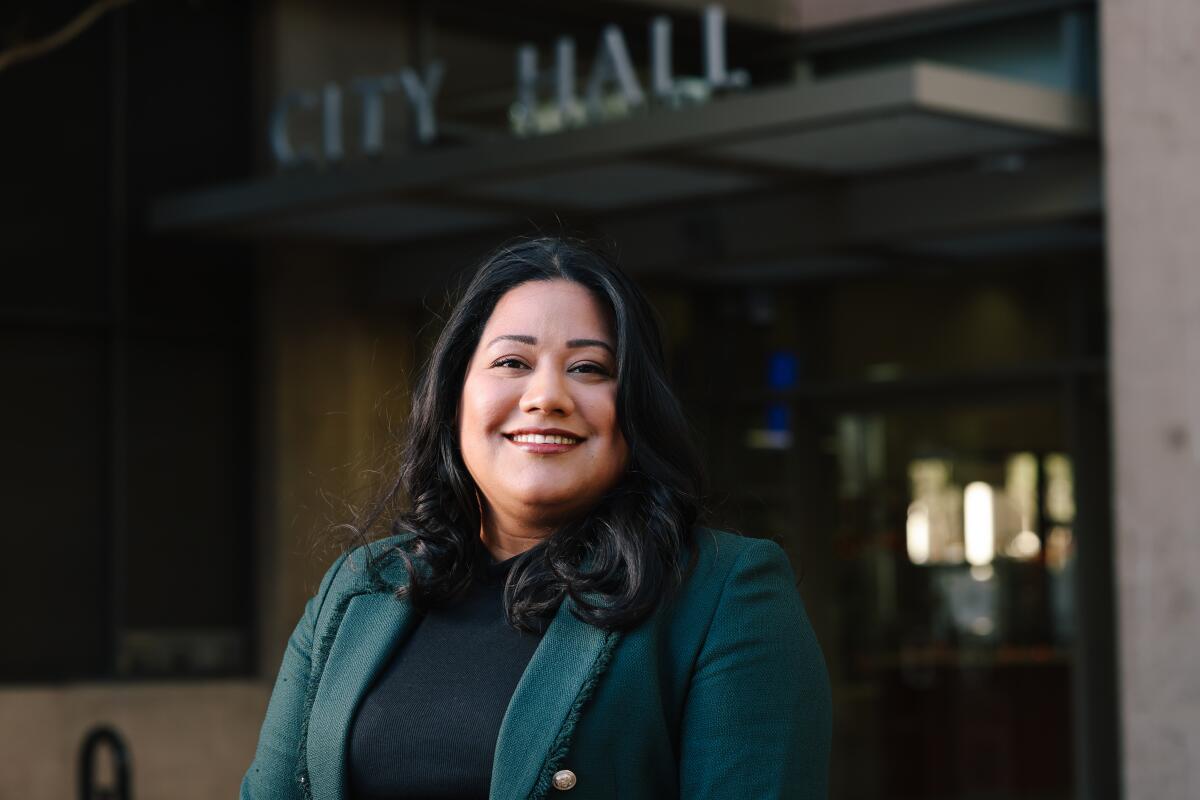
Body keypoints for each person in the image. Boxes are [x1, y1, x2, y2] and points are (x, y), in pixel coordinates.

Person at [241, 237, 831, 800]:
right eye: (512, 362)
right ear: (455, 397)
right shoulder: (360, 588)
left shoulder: (723, 594)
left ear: (636, 410)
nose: (546, 395)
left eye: (589, 369)